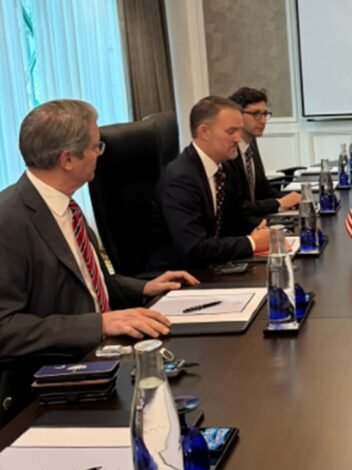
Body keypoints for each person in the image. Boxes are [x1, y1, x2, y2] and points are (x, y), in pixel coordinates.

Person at [0, 99, 198, 360]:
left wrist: (144, 288)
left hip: (103, 353)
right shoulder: (8, 220)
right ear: (67, 159)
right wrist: (99, 325)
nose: (100, 154)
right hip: (53, 369)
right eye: (96, 147)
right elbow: (5, 329)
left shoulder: (67, 206)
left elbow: (89, 284)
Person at [148, 96, 270, 270]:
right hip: (180, 274)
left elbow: (236, 217)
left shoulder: (223, 167)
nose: (238, 138)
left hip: (213, 265)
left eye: (239, 130)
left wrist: (270, 231)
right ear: (204, 132)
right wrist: (252, 242)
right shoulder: (181, 179)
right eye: (231, 131)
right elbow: (194, 248)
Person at [228, 87, 301, 224]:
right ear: (237, 115)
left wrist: (292, 199)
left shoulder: (251, 143)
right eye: (256, 114)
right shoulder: (228, 152)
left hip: (257, 219)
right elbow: (238, 207)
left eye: (265, 114)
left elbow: (263, 188)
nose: (263, 121)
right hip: (240, 226)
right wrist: (279, 203)